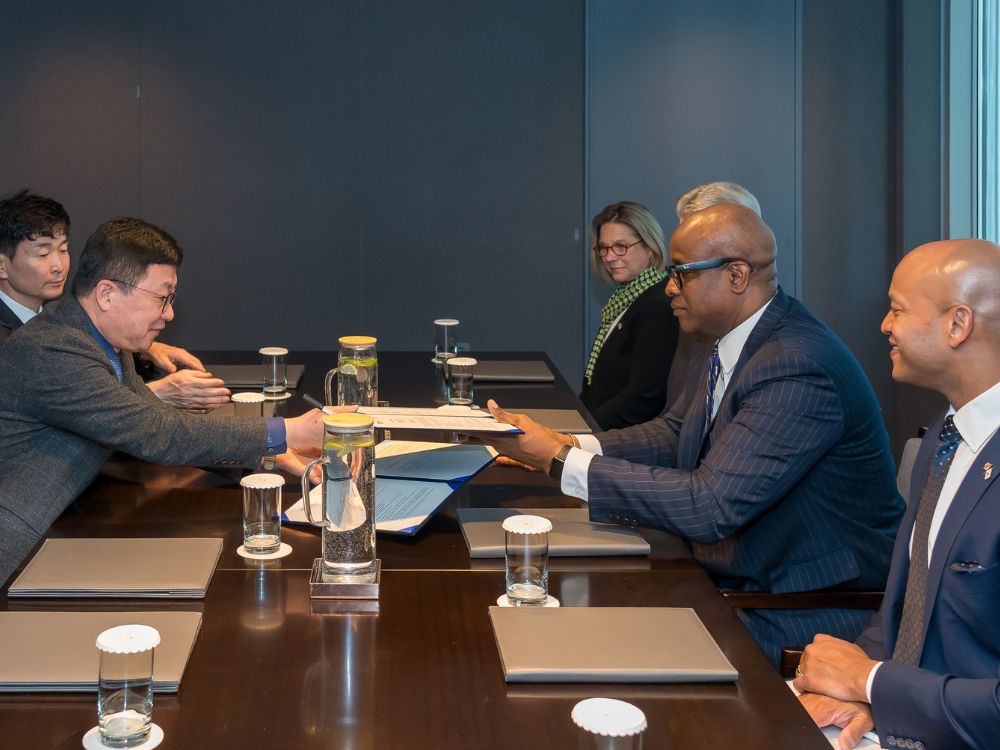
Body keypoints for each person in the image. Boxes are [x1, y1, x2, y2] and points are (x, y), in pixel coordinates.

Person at [486, 204, 904, 665]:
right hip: (732, 575)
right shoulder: (728, 336)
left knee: (573, 644)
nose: (668, 288)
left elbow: (710, 506)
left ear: (737, 276)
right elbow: (678, 431)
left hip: (793, 609)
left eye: (681, 274)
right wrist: (569, 444)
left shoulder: (795, 365)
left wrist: (559, 461)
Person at [0, 217, 335, 585]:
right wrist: (287, 430)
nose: (169, 314)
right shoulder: (53, 350)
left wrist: (268, 453)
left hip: (63, 528)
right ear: (107, 294)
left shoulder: (102, 340)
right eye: (162, 298)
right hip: (17, 552)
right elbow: (159, 432)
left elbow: (151, 416)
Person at [793, 239, 1000, 750]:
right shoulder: (944, 435)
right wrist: (857, 697)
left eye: (897, 309)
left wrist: (867, 683)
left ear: (958, 325)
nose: (885, 325)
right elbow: (908, 612)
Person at [0, 190, 231, 408]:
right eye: (42, 254)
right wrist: (156, 392)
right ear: (2, 265)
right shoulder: (31, 342)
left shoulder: (60, 317)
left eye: (63, 250)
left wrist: (146, 347)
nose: (58, 266)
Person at [580, 202, 676, 429]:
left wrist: (584, 430)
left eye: (621, 246)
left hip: (621, 443)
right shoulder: (625, 297)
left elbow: (642, 398)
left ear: (650, 246)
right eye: (603, 248)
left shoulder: (658, 305)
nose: (609, 257)